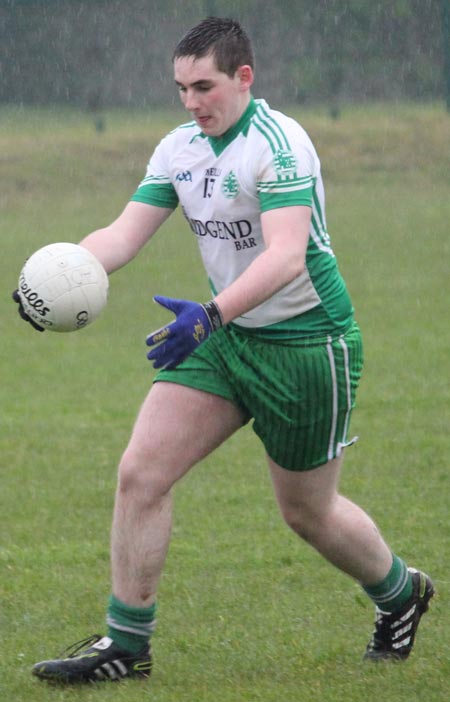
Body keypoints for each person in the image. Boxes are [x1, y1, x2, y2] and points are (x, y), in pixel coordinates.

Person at [16, 17, 433, 685]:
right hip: (225, 334)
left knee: (307, 512)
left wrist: (209, 315)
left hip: (305, 343)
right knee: (141, 473)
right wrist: (52, 278)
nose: (191, 102)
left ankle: (400, 593)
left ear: (244, 77)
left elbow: (288, 257)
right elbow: (123, 236)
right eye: (180, 88)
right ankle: (126, 646)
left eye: (203, 86)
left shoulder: (279, 144)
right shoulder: (180, 149)